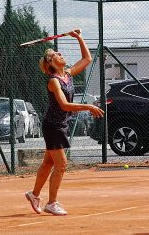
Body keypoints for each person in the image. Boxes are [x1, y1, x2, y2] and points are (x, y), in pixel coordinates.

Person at [25, 29, 104, 216]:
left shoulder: (67, 74)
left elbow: (87, 59)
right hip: (54, 126)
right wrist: (89, 107)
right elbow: (65, 105)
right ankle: (52, 203)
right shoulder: (53, 81)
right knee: (61, 164)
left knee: (48, 163)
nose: (61, 55)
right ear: (51, 63)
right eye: (56, 54)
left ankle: (34, 194)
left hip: (60, 125)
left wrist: (78, 37)